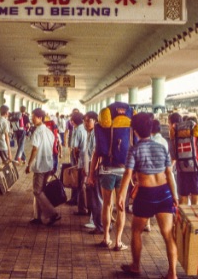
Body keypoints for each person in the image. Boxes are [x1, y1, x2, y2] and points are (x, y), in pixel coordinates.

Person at [120, 113, 178, 279]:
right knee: (168, 234)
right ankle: (172, 274)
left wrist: (121, 196)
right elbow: (169, 173)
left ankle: (136, 266)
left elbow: (127, 173)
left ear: (135, 131)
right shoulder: (161, 147)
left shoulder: (135, 149)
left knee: (136, 231)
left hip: (146, 194)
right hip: (164, 192)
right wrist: (174, 196)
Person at [88, 117, 129, 251]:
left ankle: (106, 238)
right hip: (123, 172)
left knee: (106, 204)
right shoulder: (126, 130)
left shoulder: (103, 131)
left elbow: (95, 155)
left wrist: (91, 175)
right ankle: (118, 242)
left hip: (106, 170)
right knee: (120, 206)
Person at [169, 113, 198, 205]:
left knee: (183, 201)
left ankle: (183, 218)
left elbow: (173, 156)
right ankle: (194, 218)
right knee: (196, 202)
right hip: (196, 171)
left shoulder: (177, 137)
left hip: (182, 171)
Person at [25, 108, 61, 225]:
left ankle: (53, 213)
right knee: (42, 191)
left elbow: (35, 149)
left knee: (37, 191)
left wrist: (28, 164)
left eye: (33, 116)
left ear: (40, 117)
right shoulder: (49, 131)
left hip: (40, 165)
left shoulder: (37, 132)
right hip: (48, 164)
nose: (32, 119)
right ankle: (37, 217)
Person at [68, 110, 85, 211]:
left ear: (74, 121)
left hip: (78, 158)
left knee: (76, 179)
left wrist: (75, 159)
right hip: (85, 158)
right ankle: (79, 200)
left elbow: (75, 148)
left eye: (71, 120)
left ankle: (76, 200)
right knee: (82, 181)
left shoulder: (77, 130)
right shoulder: (85, 128)